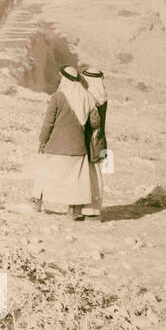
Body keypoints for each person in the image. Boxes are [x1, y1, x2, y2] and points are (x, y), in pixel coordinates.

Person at [31, 65, 101, 220]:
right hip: (78, 147)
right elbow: (95, 122)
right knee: (77, 179)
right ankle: (75, 211)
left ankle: (37, 202)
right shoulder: (87, 97)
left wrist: (43, 141)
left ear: (65, 79)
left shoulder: (58, 97)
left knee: (45, 173)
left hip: (55, 147)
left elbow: (48, 122)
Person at [83, 68, 109, 219]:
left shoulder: (91, 98)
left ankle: (89, 209)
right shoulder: (102, 97)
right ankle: (93, 208)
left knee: (89, 174)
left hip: (90, 140)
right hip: (99, 141)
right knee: (96, 175)